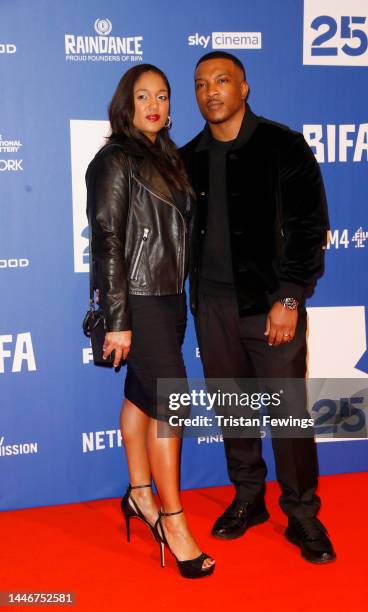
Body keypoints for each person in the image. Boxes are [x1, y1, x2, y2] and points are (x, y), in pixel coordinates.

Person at [180, 51, 336, 563]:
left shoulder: (282, 145)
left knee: (290, 415)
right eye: (201, 84)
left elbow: (310, 228)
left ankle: (303, 514)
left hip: (272, 305)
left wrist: (289, 296)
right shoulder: (188, 158)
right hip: (213, 308)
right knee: (234, 408)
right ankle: (249, 499)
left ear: (243, 88)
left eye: (222, 81)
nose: (211, 92)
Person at [86, 64, 215, 578]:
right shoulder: (116, 159)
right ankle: (174, 520)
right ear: (126, 104)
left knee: (143, 396)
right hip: (136, 301)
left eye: (162, 96)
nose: (155, 105)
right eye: (143, 96)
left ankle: (140, 494)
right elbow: (108, 239)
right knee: (172, 404)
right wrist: (117, 318)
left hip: (167, 298)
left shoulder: (165, 158)